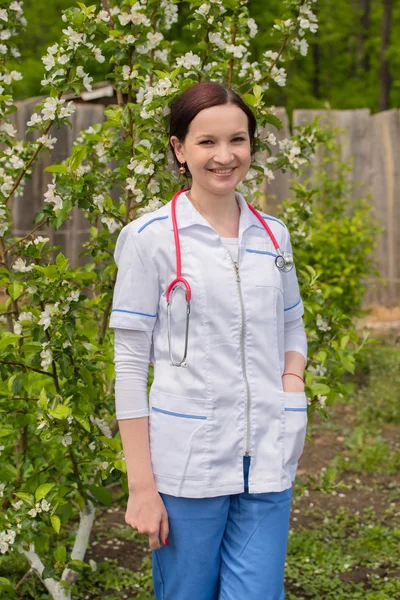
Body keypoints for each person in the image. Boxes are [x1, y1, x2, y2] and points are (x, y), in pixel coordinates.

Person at [109, 81, 308, 600]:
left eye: (237, 140)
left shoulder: (273, 236)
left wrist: (290, 388)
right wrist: (141, 486)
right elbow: (129, 364)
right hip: (186, 466)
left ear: (251, 146)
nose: (225, 156)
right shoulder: (149, 239)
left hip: (267, 458)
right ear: (179, 149)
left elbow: (292, 324)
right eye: (207, 142)